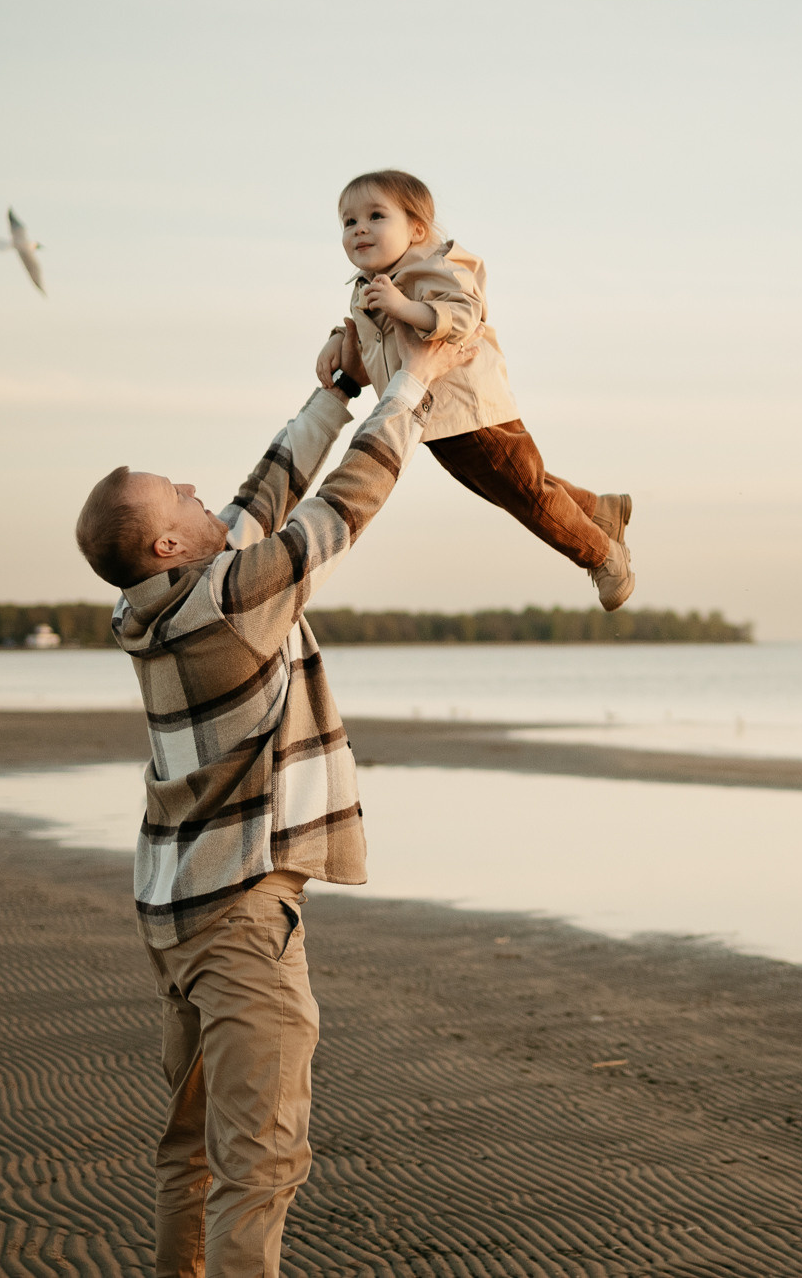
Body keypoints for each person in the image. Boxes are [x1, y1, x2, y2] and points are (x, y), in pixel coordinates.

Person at [73, 325, 473, 1277]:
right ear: (170, 540)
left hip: (173, 911)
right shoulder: (226, 598)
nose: (200, 491)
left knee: (190, 1149)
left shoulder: (151, 604)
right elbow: (340, 508)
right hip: (239, 921)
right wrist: (409, 386)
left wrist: (333, 392)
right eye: (181, 494)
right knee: (261, 1162)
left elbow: (259, 498)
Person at [314, 168, 636, 611]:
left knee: (527, 499)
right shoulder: (370, 287)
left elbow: (465, 314)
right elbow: (375, 338)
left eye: (375, 216)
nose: (360, 229)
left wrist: (405, 306)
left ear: (417, 229)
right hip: (434, 419)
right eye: (349, 222)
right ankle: (601, 511)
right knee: (512, 487)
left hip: (470, 409)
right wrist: (339, 336)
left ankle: (602, 554)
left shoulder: (432, 266)